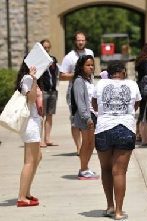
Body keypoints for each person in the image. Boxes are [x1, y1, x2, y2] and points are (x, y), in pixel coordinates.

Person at [92, 61, 141, 220]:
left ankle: (109, 206)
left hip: (103, 129)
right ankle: (119, 211)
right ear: (123, 72)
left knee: (106, 169)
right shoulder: (132, 84)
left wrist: (107, 113)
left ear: (109, 72)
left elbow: (95, 105)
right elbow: (136, 104)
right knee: (119, 172)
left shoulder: (100, 84)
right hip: (125, 128)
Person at [60, 31, 94, 155]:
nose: (80, 42)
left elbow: (92, 71)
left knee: (88, 117)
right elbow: (62, 76)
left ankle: (87, 144)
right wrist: (78, 74)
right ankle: (79, 147)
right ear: (75, 42)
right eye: (78, 40)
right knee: (75, 119)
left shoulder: (90, 53)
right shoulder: (69, 57)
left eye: (83, 40)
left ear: (86, 41)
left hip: (89, 90)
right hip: (74, 91)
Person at [15, 63, 43, 207]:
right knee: (30, 161)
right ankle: (21, 197)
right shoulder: (27, 78)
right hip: (30, 123)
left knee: (37, 157)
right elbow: (31, 98)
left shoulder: (29, 78)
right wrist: (33, 79)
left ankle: (26, 192)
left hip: (34, 122)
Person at [71, 55, 98, 180]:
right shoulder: (78, 81)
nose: (91, 67)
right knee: (86, 143)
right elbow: (80, 101)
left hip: (92, 114)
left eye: (92, 65)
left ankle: (86, 168)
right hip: (84, 116)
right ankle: (83, 169)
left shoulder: (89, 79)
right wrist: (87, 118)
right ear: (81, 66)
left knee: (91, 143)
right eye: (88, 65)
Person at [38, 39, 59, 147]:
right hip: (43, 90)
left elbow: (56, 73)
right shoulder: (38, 60)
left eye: (48, 47)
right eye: (44, 48)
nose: (46, 49)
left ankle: (47, 138)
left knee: (50, 115)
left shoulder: (53, 59)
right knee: (41, 115)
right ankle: (40, 140)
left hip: (52, 90)